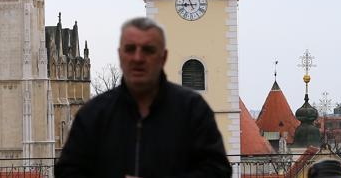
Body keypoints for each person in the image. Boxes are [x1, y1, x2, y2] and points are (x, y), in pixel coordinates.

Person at [54, 17, 231, 178]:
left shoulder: (193, 110)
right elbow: (68, 171)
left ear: (163, 57)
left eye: (148, 50)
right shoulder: (93, 114)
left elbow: (218, 171)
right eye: (130, 49)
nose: (138, 58)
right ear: (120, 55)